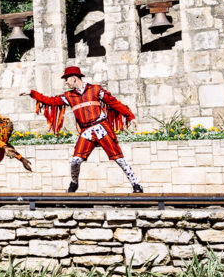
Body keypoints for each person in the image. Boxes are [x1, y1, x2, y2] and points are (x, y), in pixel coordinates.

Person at [29, 65, 143, 193]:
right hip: (86, 132)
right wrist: (32, 94)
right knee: (75, 161)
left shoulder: (95, 90)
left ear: (73, 78)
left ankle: (136, 185)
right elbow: (50, 101)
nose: (66, 82)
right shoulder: (69, 96)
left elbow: (114, 103)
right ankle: (74, 184)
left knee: (119, 158)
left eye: (67, 79)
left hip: (101, 128)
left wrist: (130, 116)